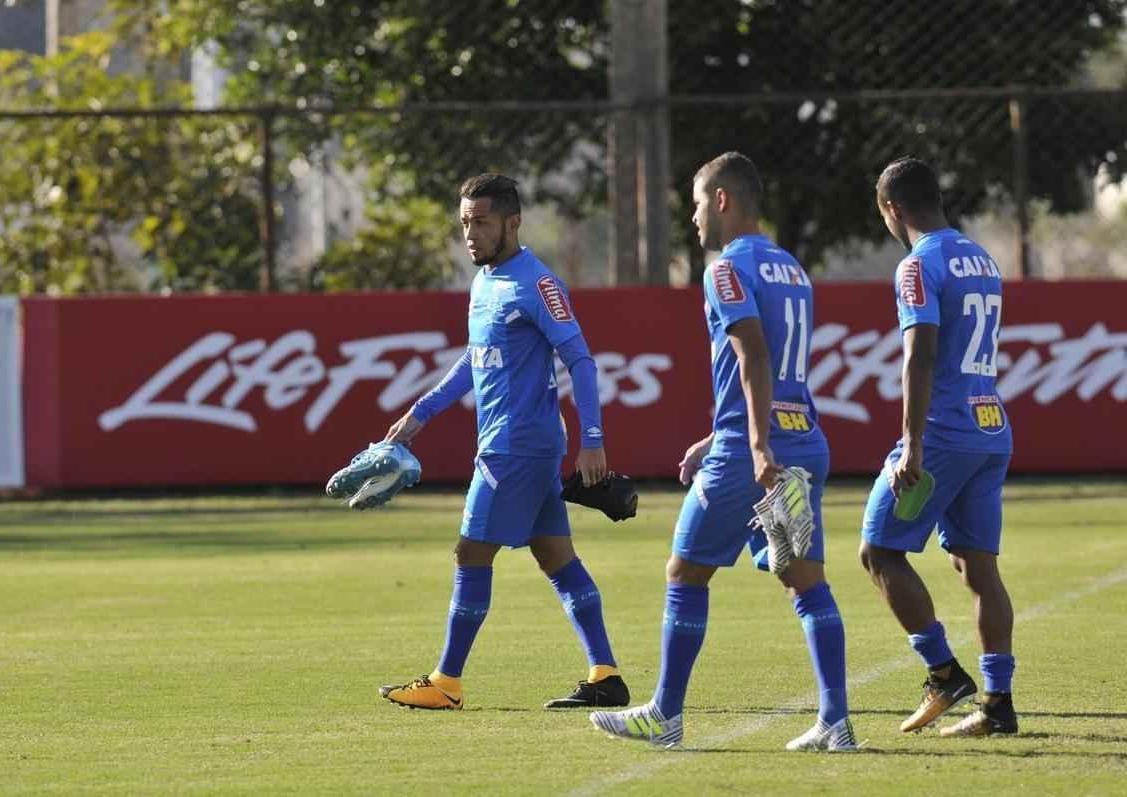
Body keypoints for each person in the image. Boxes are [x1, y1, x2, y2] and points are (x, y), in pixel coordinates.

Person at [590, 152, 854, 750]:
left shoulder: (724, 271)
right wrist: (721, 434)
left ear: (724, 200)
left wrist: (751, 444)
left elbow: (754, 354)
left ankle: (665, 715)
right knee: (806, 581)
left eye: (697, 202)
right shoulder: (792, 268)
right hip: (803, 438)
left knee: (685, 571)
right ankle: (836, 722)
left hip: (752, 451)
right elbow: (781, 372)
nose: (693, 216)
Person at [378, 173, 630, 711]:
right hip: (520, 445)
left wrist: (593, 442)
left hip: (516, 446)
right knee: (555, 556)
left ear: (512, 223)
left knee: (471, 551)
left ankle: (446, 682)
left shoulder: (536, 284)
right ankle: (605, 675)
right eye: (466, 221)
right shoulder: (486, 281)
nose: (471, 232)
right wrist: (420, 414)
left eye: (482, 221)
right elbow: (476, 360)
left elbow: (581, 360)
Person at [859, 156, 1017, 737]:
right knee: (978, 568)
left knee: (878, 551)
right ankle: (998, 705)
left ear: (893, 209)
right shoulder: (982, 256)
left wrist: (911, 443)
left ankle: (944, 673)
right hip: (990, 423)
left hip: (946, 431)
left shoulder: (916, 265)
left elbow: (919, 352)